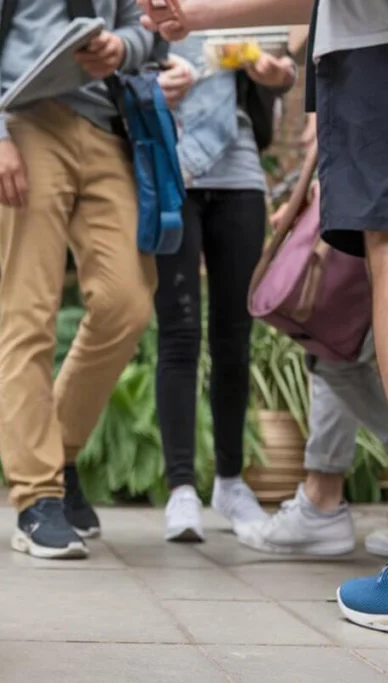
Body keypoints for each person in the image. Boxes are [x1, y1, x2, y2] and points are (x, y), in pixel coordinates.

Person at [137, 0, 388, 633]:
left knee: (278, 334)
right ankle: (208, 489)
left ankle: (276, 491)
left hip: (332, 99)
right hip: (184, 169)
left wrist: (208, 26)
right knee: (201, 335)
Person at [0, 0, 170, 559]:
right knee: (31, 308)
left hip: (107, 126)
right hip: (27, 118)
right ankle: (37, 495)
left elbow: (153, 32)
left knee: (128, 303)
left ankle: (62, 452)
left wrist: (125, 47)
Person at [152, 40, 296, 543]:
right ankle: (181, 489)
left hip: (239, 176)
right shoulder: (149, 13)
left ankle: (232, 484)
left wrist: (275, 74)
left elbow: (286, 64)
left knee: (234, 337)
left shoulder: (239, 12)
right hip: (171, 171)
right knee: (179, 333)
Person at [237, 137, 388, 560]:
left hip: (365, 170)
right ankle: (321, 499)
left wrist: (330, 168)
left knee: (337, 352)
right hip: (358, 164)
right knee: (334, 341)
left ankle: (321, 503)